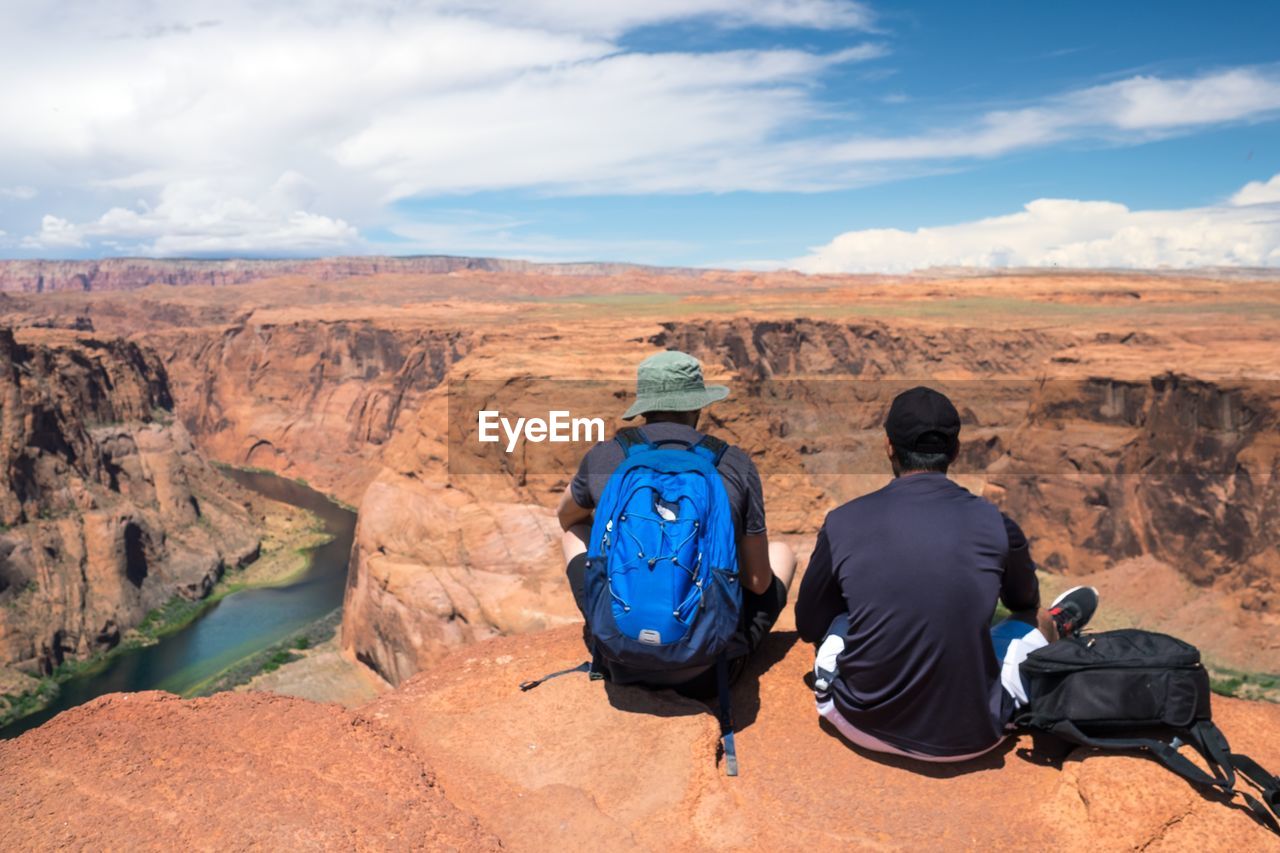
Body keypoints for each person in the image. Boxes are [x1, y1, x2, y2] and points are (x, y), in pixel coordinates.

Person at [795, 385, 1098, 761]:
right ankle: (1061, 625)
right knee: (1034, 620)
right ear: (955, 451)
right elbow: (1022, 602)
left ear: (889, 446)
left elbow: (809, 624)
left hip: (859, 723)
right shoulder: (995, 523)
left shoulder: (843, 521)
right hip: (974, 737)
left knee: (841, 615)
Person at [557, 350, 796, 697]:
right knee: (781, 551)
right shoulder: (733, 462)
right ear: (697, 406)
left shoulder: (605, 455)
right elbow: (757, 582)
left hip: (619, 660)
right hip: (708, 672)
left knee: (575, 534)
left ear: (644, 407)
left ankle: (619, 625)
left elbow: (566, 517)